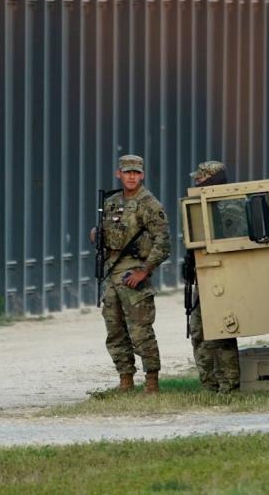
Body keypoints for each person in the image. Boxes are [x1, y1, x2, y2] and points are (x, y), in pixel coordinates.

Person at [92, 154, 171, 394]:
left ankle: (151, 383)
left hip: (134, 275)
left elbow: (163, 243)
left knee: (141, 331)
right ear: (119, 173)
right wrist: (97, 236)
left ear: (142, 175)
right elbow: (109, 234)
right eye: (127, 172)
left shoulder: (150, 205)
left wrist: (144, 270)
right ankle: (125, 380)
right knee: (115, 331)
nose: (131, 176)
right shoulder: (111, 202)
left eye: (136, 172)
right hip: (112, 273)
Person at [183, 160, 242, 393]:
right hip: (204, 277)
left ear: (212, 179)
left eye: (200, 178)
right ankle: (210, 386)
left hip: (222, 278)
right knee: (199, 332)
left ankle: (229, 385)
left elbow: (232, 244)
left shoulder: (231, 206)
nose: (196, 181)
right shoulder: (201, 206)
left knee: (221, 332)